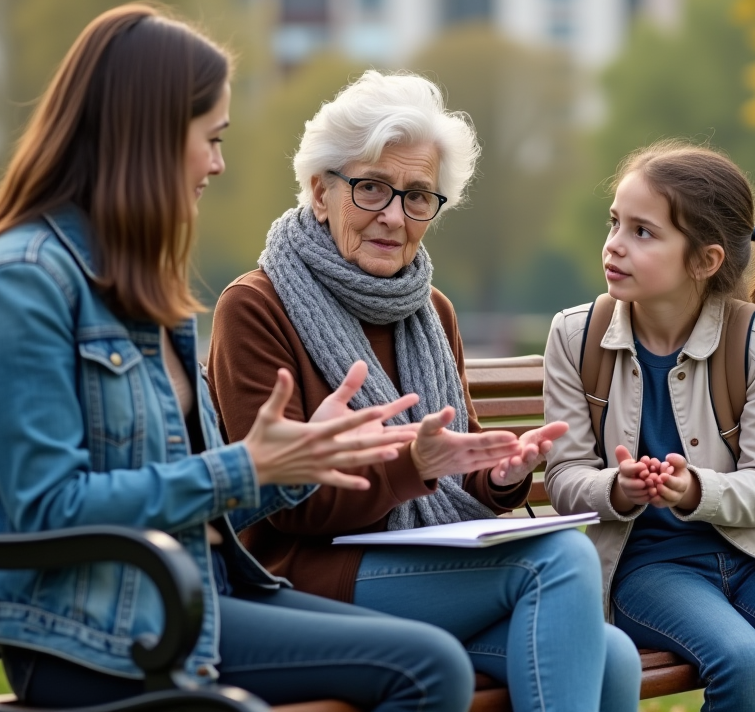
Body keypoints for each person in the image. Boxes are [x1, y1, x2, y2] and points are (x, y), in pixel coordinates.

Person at [0, 5, 480, 712]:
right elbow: (49, 508)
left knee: (435, 660)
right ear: (150, 136)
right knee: (428, 668)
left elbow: (192, 485)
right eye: (211, 138)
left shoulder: (135, 282)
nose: (219, 163)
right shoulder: (24, 279)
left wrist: (296, 462)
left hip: (194, 599)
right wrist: (246, 465)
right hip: (87, 635)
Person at [207, 70, 642, 712]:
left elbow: (451, 473)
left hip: (418, 566)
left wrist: (496, 476)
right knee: (557, 561)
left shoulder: (429, 310)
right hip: (301, 572)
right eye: (372, 188)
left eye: (417, 196)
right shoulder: (255, 307)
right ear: (320, 191)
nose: (394, 216)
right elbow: (279, 505)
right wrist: (408, 468)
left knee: (616, 657)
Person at [542, 142, 755, 712]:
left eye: (643, 232)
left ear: (705, 260)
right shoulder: (575, 336)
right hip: (649, 567)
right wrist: (617, 486)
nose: (614, 244)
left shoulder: (752, 340)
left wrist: (695, 490)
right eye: (615, 223)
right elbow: (563, 477)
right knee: (742, 664)